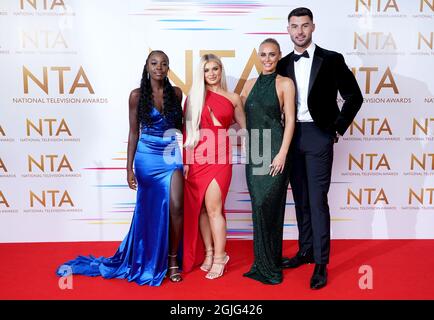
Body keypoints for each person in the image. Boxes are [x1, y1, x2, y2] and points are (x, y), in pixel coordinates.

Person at [56, 50, 184, 286]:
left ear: (168, 68)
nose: (159, 67)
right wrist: (128, 169)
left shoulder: (176, 93)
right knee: (149, 210)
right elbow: (134, 132)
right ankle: (148, 258)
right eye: (154, 63)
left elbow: (181, 127)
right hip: (146, 156)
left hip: (170, 153)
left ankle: (172, 260)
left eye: (163, 64)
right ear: (146, 66)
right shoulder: (136, 96)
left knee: (176, 206)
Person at [276, 7, 363, 289]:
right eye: (294, 26)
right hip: (290, 137)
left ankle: (321, 262)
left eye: (304, 25)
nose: (299, 31)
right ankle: (305, 250)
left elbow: (354, 97)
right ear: (288, 30)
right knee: (300, 199)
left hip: (318, 135)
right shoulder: (282, 63)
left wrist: (336, 129)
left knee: (316, 200)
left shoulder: (332, 60)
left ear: (313, 27)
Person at [183, 54, 246, 279]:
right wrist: (187, 162)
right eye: (207, 70)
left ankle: (221, 257)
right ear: (202, 73)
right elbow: (188, 133)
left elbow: (246, 129)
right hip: (198, 156)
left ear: (221, 70)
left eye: (215, 69)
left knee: (214, 209)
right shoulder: (194, 98)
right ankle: (209, 253)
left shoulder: (233, 97)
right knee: (201, 208)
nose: (212, 73)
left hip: (221, 156)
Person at [241, 38, 296, 285]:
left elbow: (291, 120)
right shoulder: (249, 84)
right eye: (263, 55)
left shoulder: (285, 83)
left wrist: (283, 152)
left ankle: (271, 262)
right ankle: (262, 262)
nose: (267, 59)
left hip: (275, 149)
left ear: (279, 55)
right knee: (258, 205)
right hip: (255, 152)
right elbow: (235, 110)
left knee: (269, 204)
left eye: (272, 54)